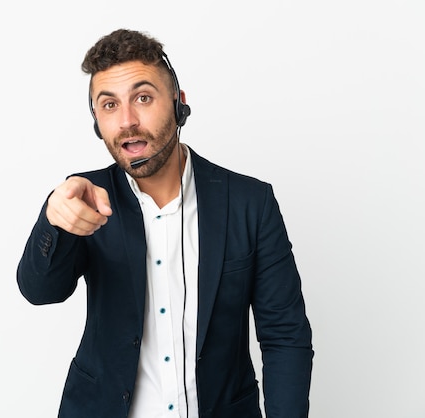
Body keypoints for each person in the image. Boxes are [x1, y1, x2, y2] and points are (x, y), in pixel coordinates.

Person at [17, 28, 313, 418]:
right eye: (108, 105)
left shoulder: (250, 203)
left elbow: (285, 336)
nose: (127, 121)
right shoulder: (82, 199)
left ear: (179, 105)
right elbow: (40, 291)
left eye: (143, 98)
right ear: (96, 123)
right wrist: (54, 221)